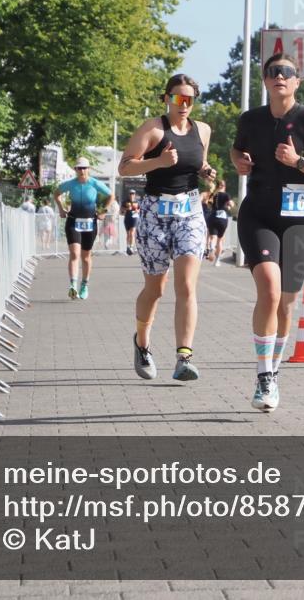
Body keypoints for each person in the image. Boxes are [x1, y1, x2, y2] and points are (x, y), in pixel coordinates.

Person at [231, 53, 304, 412]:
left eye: (288, 72)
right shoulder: (251, 119)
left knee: (287, 301)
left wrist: (299, 162)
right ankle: (264, 377)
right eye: (274, 72)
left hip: (297, 220)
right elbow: (237, 149)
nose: (280, 76)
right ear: (265, 81)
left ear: (297, 82)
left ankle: (274, 372)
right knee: (269, 288)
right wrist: (238, 161)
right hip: (258, 215)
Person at [118, 74, 216, 383]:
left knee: (186, 286)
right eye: (177, 98)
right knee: (155, 289)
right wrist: (158, 162)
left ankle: (184, 357)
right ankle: (142, 343)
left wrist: (207, 171)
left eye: (189, 99)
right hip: (154, 213)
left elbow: (198, 162)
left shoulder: (203, 130)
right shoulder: (153, 129)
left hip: (188, 212)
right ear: (167, 99)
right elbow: (125, 167)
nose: (183, 105)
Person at [53, 157, 114, 300]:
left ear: (88, 169)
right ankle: (73, 285)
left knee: (86, 257)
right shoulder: (70, 184)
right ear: (75, 170)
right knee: (74, 254)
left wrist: (104, 210)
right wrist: (61, 209)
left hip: (90, 223)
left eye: (84, 168)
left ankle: (84, 285)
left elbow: (111, 195)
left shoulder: (94, 183)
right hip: (73, 222)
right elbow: (56, 193)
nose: (82, 171)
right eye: (79, 168)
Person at [205, 179, 234, 267]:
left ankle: (211, 247)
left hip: (213, 216)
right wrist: (228, 206)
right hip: (222, 218)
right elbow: (231, 204)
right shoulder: (226, 195)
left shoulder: (213, 194)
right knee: (220, 240)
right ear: (223, 186)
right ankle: (217, 261)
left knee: (213, 237)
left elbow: (208, 204)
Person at [122, 190, 141, 255]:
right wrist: (127, 209)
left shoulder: (137, 201)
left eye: (133, 194)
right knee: (128, 233)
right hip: (127, 217)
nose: (131, 195)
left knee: (132, 232)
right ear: (129, 194)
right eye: (130, 193)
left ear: (135, 194)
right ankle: (127, 246)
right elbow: (121, 210)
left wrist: (137, 211)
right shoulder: (125, 201)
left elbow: (140, 209)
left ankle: (131, 247)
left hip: (135, 218)